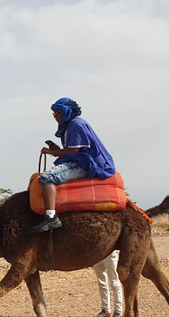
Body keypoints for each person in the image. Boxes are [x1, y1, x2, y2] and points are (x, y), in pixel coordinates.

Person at [31, 97, 116, 233]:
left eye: (57, 113)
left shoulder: (76, 125)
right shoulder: (71, 126)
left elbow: (74, 151)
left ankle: (51, 217)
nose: (55, 117)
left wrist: (51, 151)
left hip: (85, 163)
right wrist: (56, 150)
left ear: (65, 112)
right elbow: (71, 151)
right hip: (80, 160)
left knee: (47, 178)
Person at [92, 250, 123, 317]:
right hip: (97, 255)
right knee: (101, 283)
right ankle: (106, 310)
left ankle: (118, 312)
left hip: (110, 254)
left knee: (114, 282)